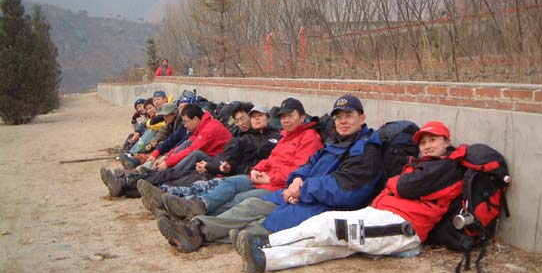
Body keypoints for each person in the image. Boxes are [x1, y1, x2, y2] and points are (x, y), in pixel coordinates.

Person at [155, 94, 384, 255]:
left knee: (259, 224)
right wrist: (296, 179)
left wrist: (300, 188)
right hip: (297, 193)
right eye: (338, 117)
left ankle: (198, 232)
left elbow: (346, 190)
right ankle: (195, 224)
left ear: (362, 118)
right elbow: (307, 165)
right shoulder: (335, 142)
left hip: (321, 205)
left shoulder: (365, 151)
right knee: (250, 205)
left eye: (348, 116)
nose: (342, 121)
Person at [233, 120, 467, 273]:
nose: (426, 146)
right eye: (423, 142)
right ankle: (266, 259)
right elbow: (403, 186)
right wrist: (396, 185)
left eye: (433, 140)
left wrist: (394, 184)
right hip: (383, 214)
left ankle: (265, 242)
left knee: (329, 226)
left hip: (403, 227)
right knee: (330, 245)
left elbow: (403, 186)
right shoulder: (422, 165)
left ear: (446, 142)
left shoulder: (447, 167)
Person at [157, 98, 323, 221]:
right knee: (227, 182)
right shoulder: (279, 136)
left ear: (302, 117)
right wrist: (256, 170)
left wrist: (269, 177)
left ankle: (194, 217)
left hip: (276, 184)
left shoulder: (301, 137)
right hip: (247, 174)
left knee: (236, 196)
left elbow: (300, 170)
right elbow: (268, 159)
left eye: (290, 116)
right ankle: (195, 204)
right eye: (283, 117)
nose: (285, 120)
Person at [138, 103, 282, 214]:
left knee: (199, 177)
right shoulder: (243, 136)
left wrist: (210, 166)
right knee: (192, 172)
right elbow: (228, 158)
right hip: (224, 167)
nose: (240, 123)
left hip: (236, 173)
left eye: (259, 116)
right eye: (238, 120)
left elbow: (248, 162)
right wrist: (163, 156)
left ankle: (160, 191)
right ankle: (152, 185)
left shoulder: (274, 138)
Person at [100, 102, 233, 198]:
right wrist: (166, 157)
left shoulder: (209, 129)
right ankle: (124, 185)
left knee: (184, 165)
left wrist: (168, 163)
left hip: (214, 167)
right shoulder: (200, 126)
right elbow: (182, 144)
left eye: (186, 121)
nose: (184, 125)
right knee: (182, 156)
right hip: (208, 163)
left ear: (195, 119)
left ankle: (127, 181)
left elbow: (191, 150)